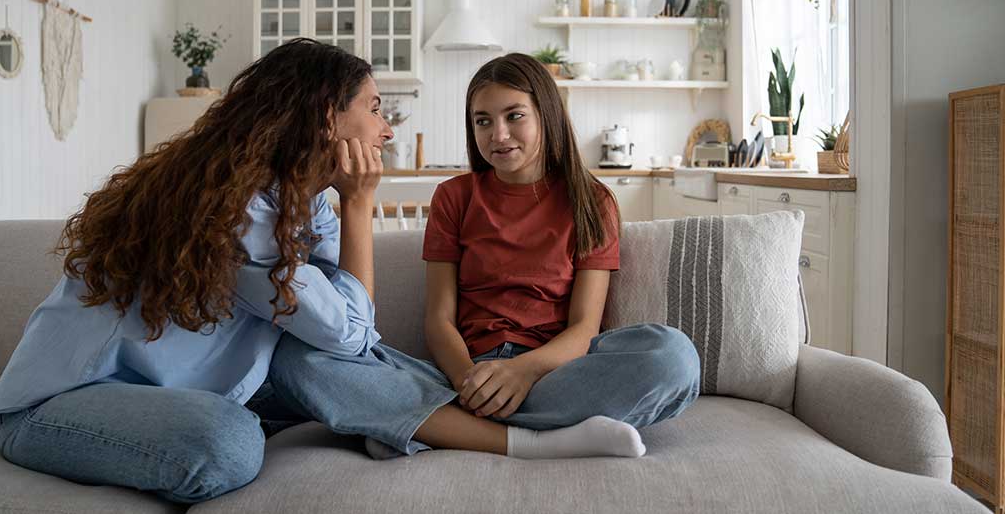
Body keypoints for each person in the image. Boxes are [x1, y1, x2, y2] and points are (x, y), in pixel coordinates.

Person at [0, 38, 392, 503]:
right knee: (230, 445)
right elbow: (350, 330)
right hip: (59, 406)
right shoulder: (239, 213)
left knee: (330, 372)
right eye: (375, 109)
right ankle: (387, 421)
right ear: (324, 116)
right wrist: (359, 203)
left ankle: (432, 417)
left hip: (172, 392)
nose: (387, 130)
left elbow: (352, 327)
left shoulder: (300, 198)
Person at [269, 53, 701, 460]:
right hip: (459, 376)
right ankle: (497, 432)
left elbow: (584, 327)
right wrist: (467, 380)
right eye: (482, 121)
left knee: (672, 356)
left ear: (546, 115)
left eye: (514, 116)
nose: (498, 135)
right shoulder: (454, 197)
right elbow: (439, 321)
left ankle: (427, 426)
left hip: (550, 374)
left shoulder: (593, 200)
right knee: (300, 360)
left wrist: (522, 372)